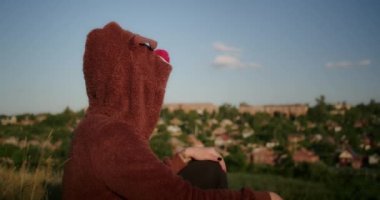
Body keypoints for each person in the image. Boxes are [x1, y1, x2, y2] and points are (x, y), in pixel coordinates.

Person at [62, 21, 282, 200]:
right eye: (149, 87)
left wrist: (185, 155)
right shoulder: (111, 135)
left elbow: (147, 178)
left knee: (206, 166)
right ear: (126, 84)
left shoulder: (99, 126)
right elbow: (183, 197)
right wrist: (264, 198)